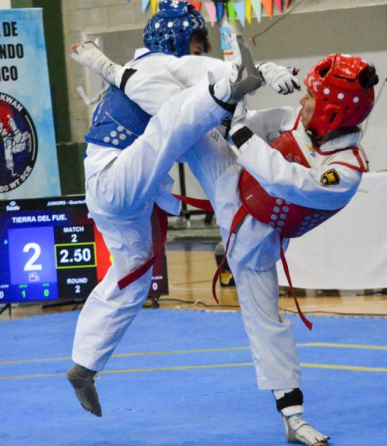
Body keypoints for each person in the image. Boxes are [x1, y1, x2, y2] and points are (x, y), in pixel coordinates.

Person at [78, 36, 377, 443]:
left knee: (268, 322)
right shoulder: (299, 121)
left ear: (333, 111)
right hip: (230, 184)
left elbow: (286, 180)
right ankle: (116, 72)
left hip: (256, 243)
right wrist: (245, 96)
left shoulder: (346, 170)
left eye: (311, 96)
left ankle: (293, 418)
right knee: (184, 111)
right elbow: (260, 123)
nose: (303, 100)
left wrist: (238, 130)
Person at [65, 6, 265, 424]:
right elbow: (195, 93)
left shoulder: (166, 74)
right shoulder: (152, 67)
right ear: (172, 41)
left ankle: (85, 365)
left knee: (133, 278)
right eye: (195, 43)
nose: (199, 51)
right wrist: (240, 81)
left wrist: (250, 89)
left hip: (124, 197)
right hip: (114, 179)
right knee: (178, 121)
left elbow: (201, 93)